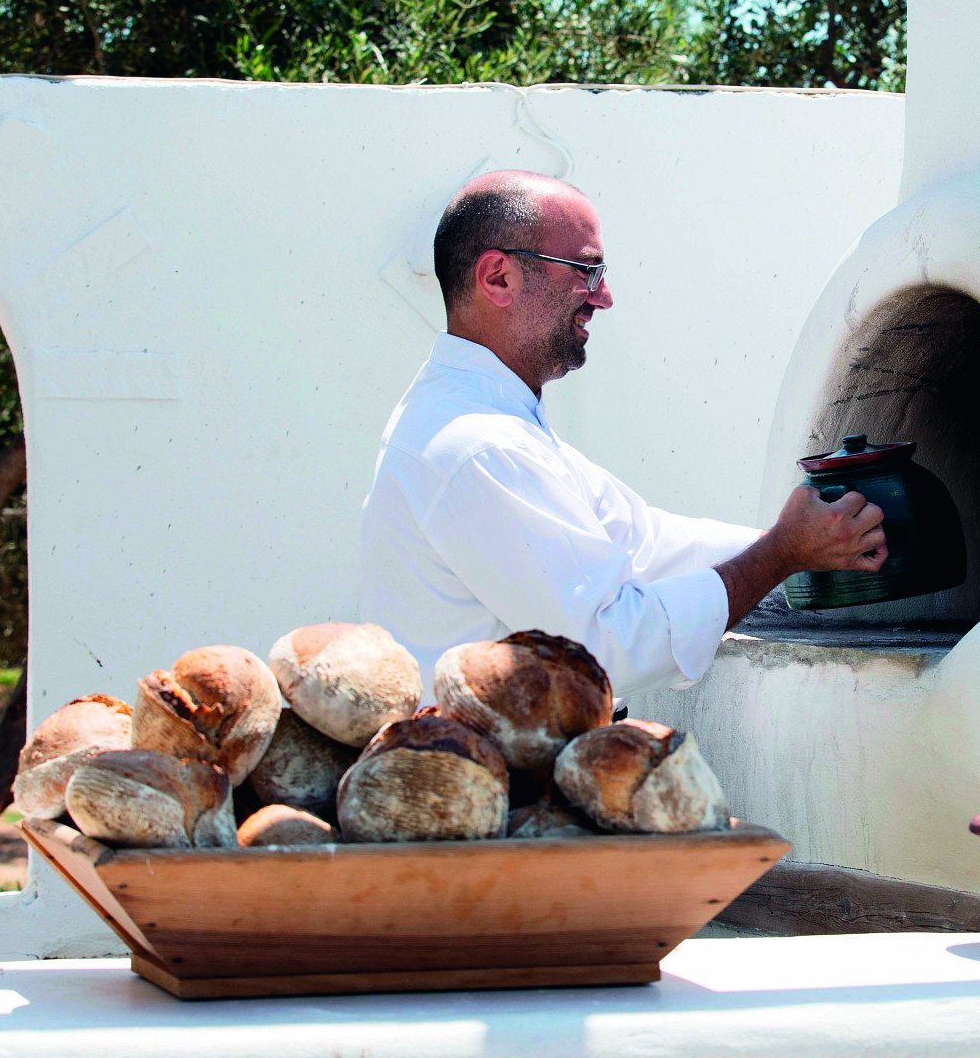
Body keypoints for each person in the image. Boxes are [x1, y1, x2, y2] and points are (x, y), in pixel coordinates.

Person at [359, 170, 887, 700]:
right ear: (498, 277)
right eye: (586, 270)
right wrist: (781, 553)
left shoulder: (487, 416)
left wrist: (823, 537)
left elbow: (643, 540)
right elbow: (605, 649)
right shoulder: (481, 446)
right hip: (474, 777)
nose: (603, 296)